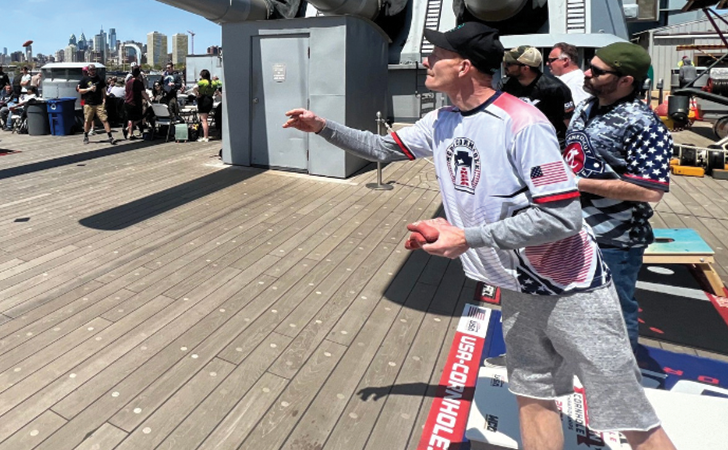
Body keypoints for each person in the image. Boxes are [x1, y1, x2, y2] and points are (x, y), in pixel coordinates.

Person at [283, 23, 674, 450]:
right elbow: (382, 148)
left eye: (437, 55)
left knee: (627, 414)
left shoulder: (523, 122)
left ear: (465, 66)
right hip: (517, 285)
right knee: (532, 394)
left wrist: (467, 236)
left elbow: (561, 218)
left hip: (570, 285)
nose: (427, 62)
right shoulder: (441, 119)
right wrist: (323, 127)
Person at [564, 42, 672, 351]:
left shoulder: (643, 124)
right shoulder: (587, 106)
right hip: (574, 226)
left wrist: (578, 183)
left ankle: (622, 380)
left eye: (597, 71)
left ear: (625, 80)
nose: (587, 72)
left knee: (613, 311)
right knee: (572, 302)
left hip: (615, 238)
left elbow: (651, 190)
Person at [502, 45, 574, 144]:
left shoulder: (555, 88)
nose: (504, 66)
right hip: (517, 142)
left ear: (525, 68)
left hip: (547, 144)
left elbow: (569, 123)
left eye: (509, 64)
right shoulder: (505, 85)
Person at [78, 64, 115, 145]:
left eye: (94, 69)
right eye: (91, 70)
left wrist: (104, 99)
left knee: (104, 119)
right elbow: (79, 90)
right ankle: (86, 136)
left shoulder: (100, 78)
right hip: (88, 103)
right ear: (88, 71)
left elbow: (103, 90)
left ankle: (110, 137)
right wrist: (89, 89)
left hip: (99, 103)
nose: (92, 71)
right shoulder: (84, 79)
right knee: (87, 120)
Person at [547, 42, 591, 107]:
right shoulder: (564, 81)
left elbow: (580, 112)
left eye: (551, 60)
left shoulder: (578, 83)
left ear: (565, 61)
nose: (547, 63)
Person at [192, 69, 222, 142]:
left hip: (203, 100)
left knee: (204, 119)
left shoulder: (202, 82)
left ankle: (205, 136)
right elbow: (217, 91)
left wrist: (197, 94)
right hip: (210, 100)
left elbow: (194, 88)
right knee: (206, 117)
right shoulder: (213, 83)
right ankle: (206, 135)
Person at [124, 65, 150, 139]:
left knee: (130, 119)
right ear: (139, 74)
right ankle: (129, 128)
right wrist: (149, 100)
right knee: (142, 117)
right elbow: (143, 93)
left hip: (127, 102)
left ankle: (130, 133)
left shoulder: (128, 82)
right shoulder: (138, 82)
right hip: (135, 103)